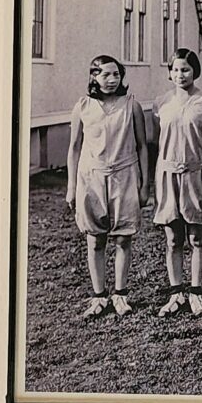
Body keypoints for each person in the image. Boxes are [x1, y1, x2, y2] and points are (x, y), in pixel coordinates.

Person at [65, 54, 156, 319]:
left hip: (124, 175)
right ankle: (98, 296)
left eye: (116, 74)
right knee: (95, 240)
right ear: (94, 76)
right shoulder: (82, 106)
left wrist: (144, 184)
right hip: (91, 178)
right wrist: (71, 187)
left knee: (123, 238)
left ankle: (120, 294)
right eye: (105, 74)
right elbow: (73, 148)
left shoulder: (131, 105)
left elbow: (142, 146)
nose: (112, 79)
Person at [152, 49, 202, 317]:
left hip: (196, 173)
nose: (181, 75)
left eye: (186, 69)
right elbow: (156, 142)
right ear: (170, 72)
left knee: (196, 237)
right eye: (176, 69)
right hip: (167, 175)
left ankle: (196, 293)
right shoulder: (161, 102)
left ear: (195, 71)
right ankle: (176, 292)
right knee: (173, 238)